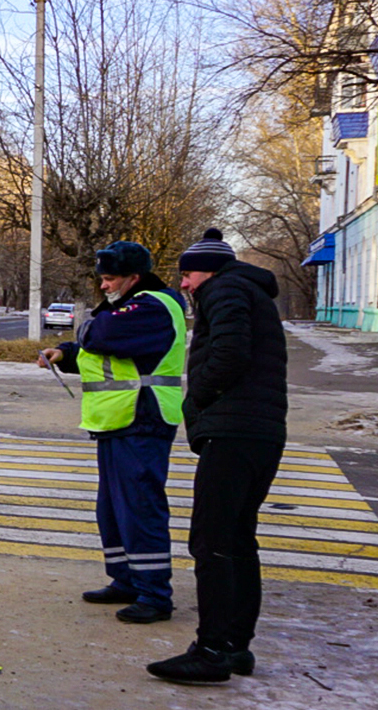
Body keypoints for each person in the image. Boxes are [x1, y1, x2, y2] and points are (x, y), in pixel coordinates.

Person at [148, 229, 289, 683]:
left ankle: (210, 651)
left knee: (211, 542)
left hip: (234, 432)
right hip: (259, 433)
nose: (185, 284)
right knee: (237, 540)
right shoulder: (247, 289)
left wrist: (198, 401)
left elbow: (230, 354)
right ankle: (234, 646)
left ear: (207, 270)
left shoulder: (224, 287)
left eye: (187, 274)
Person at [38, 240, 186, 625]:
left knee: (139, 509)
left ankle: (154, 594)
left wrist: (85, 327)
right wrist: (66, 353)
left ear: (132, 278)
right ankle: (125, 579)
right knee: (113, 510)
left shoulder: (153, 305)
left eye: (109, 279)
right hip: (119, 421)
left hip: (143, 417)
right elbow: (102, 349)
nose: (103, 286)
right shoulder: (129, 306)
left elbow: (102, 334)